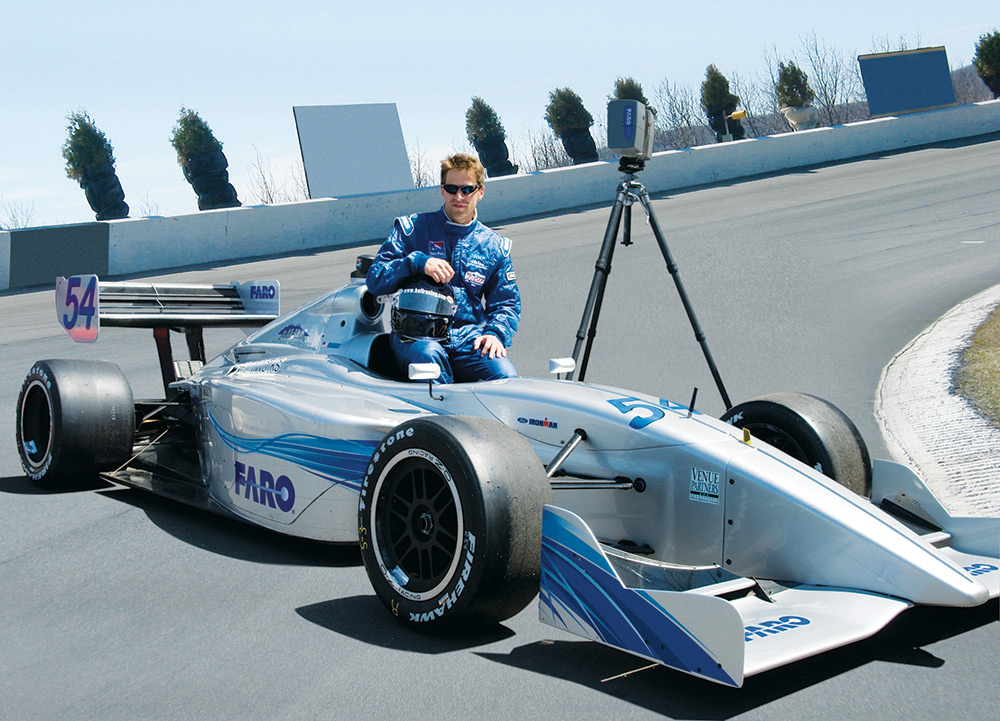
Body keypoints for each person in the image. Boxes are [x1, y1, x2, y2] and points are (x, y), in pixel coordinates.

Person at [366, 153, 520, 383]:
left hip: (469, 338)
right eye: (451, 188)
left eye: (467, 189)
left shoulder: (494, 246)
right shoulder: (411, 229)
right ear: (441, 190)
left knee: (505, 376)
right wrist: (416, 263)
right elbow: (375, 279)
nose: (458, 196)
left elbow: (507, 303)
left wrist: (496, 333)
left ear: (480, 192)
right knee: (431, 362)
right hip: (416, 335)